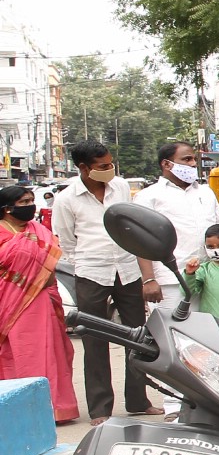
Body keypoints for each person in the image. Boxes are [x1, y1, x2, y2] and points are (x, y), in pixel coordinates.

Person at [53, 140, 160, 424]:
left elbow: (130, 225)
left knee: (139, 337)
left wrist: (145, 274)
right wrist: (89, 261)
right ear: (84, 168)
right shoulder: (66, 199)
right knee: (94, 339)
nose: (109, 170)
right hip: (91, 273)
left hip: (126, 268)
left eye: (111, 164)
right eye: (103, 166)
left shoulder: (121, 187)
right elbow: (67, 241)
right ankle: (100, 409)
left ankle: (139, 400)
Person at [0, 183, 79, 423]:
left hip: (43, 300)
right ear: (6, 209)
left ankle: (56, 407)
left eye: (30, 201)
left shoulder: (39, 230)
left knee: (50, 352)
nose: (29, 207)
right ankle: (21, 410)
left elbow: (50, 263)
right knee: (18, 354)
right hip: (11, 303)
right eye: (23, 203)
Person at [135, 140, 219, 308]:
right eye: (186, 159)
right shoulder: (149, 196)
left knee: (209, 331)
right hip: (171, 282)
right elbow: (141, 242)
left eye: (194, 160)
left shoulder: (206, 192)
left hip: (208, 276)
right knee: (175, 331)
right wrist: (148, 279)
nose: (192, 164)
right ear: (166, 164)